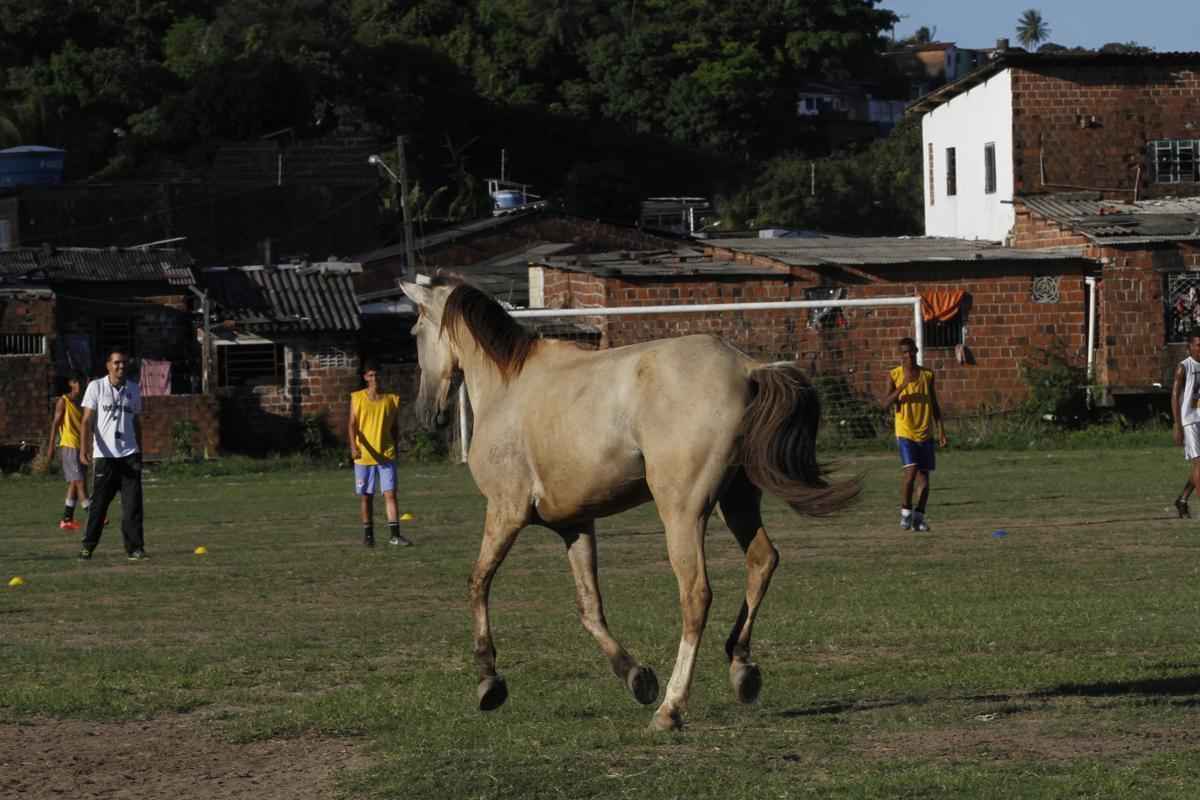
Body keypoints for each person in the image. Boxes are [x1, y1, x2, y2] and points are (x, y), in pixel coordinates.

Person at [78, 349, 148, 561]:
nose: (121, 366)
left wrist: (140, 449)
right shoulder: (96, 387)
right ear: (108, 365)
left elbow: (136, 422)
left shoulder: (134, 389)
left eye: (124, 363)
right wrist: (84, 448)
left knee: (133, 506)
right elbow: (87, 420)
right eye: (117, 363)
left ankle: (135, 548)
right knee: (98, 506)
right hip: (105, 457)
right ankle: (88, 547)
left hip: (129, 455)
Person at [881, 336, 947, 532]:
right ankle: (905, 513)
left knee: (925, 483)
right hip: (905, 431)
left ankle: (919, 517)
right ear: (900, 355)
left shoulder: (928, 375)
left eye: (912, 351)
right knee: (910, 473)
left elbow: (934, 403)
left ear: (916, 352)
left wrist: (941, 430)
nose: (908, 355)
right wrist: (903, 386)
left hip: (925, 432)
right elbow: (885, 404)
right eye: (904, 352)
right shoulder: (894, 375)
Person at [348, 359, 411, 548]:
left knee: (390, 494)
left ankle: (395, 535)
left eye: (377, 375)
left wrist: (396, 447)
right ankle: (368, 535)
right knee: (366, 496)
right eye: (371, 375)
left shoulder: (391, 400)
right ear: (365, 377)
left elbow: (395, 428)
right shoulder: (357, 398)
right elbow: (351, 425)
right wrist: (353, 446)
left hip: (386, 455)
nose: (375, 378)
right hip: (364, 457)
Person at [47, 371, 88, 530]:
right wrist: (51, 446)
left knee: (73, 483)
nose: (81, 386)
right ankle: (94, 515)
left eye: (83, 383)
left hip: (80, 447)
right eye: (77, 382)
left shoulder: (83, 403)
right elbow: (55, 424)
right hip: (69, 446)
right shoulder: (63, 401)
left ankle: (67, 519)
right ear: (71, 383)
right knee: (80, 482)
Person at [1171, 332, 1200, 518]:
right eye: (1198, 345)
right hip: (1190, 421)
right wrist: (1177, 424)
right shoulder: (1184, 367)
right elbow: (1174, 396)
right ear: (1190, 347)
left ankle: (1182, 500)